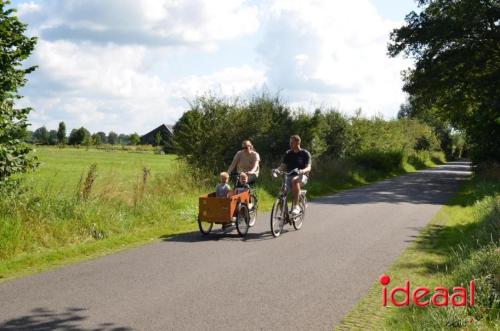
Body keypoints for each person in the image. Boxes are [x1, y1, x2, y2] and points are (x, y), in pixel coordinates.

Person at [274, 135, 311, 215]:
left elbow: (308, 167)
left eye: (292, 142)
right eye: (290, 142)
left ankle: (296, 206)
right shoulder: (288, 153)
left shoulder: (305, 153)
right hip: (289, 175)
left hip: (302, 176)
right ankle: (285, 215)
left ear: (298, 142)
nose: (290, 144)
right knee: (282, 192)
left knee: (295, 181)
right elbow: (283, 165)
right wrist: (278, 170)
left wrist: (302, 171)